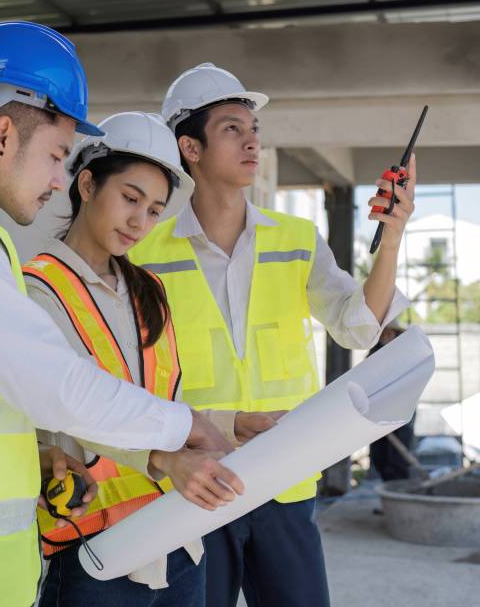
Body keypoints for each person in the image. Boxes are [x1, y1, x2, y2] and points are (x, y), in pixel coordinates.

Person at [0, 28, 240, 607]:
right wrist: (178, 436)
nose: (58, 181)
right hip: (66, 558)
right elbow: (56, 388)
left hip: (34, 566)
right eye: (58, 156)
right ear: (5, 134)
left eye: (155, 209)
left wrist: (229, 423)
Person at [131, 63, 415, 607]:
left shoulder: (297, 239)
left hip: (285, 478)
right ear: (189, 148)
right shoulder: (147, 254)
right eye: (232, 129)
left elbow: (358, 325)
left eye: (254, 129)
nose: (252, 142)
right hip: (198, 479)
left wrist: (393, 237)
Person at [24, 111, 257, 607]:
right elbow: (70, 409)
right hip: (94, 551)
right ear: (86, 184)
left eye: (154, 210)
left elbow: (157, 405)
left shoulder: (149, 289)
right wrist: (167, 459)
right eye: (130, 198)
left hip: (179, 540)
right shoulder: (36, 289)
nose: (139, 222)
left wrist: (236, 423)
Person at [368, 320, 415, 481]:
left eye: (390, 332)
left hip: (401, 410)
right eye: (384, 332)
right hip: (379, 411)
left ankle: (399, 494)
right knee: (379, 455)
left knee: (398, 456)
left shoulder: (405, 354)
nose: (386, 335)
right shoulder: (374, 354)